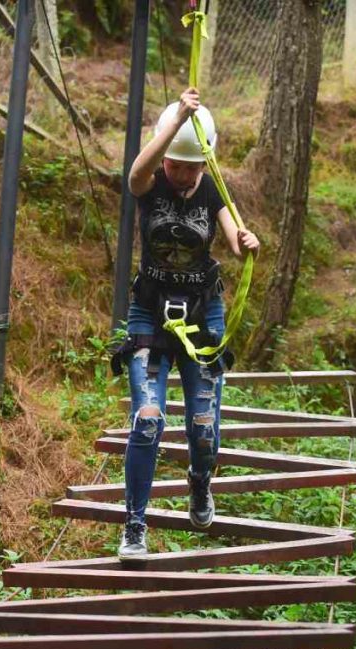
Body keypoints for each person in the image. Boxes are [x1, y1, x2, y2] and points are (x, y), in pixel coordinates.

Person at [115, 87, 260, 559]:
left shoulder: (212, 186)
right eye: (176, 165)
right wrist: (175, 122)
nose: (182, 175)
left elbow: (233, 241)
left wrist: (246, 241)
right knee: (148, 420)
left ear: (206, 163)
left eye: (192, 166)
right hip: (150, 311)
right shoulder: (150, 183)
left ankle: (200, 482)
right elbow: (135, 172)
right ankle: (135, 525)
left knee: (202, 424)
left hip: (202, 312)